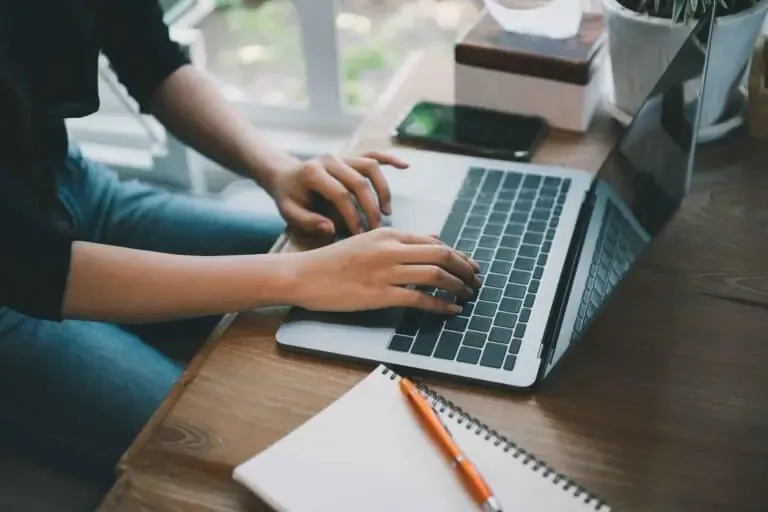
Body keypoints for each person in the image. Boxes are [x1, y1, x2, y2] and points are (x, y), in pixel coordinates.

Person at [0, 0, 480, 482]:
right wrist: (301, 276)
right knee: (234, 445)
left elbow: (149, 57)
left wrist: (277, 170)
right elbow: (34, 269)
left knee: (358, 263)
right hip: (15, 285)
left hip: (70, 187)